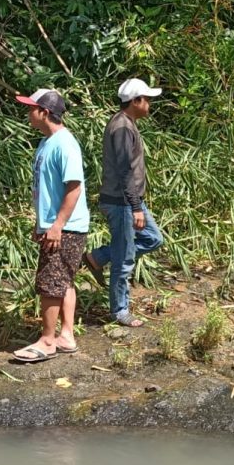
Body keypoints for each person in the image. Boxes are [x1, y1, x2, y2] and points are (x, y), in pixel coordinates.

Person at [12, 89, 88, 362]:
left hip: (66, 226)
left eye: (31, 108)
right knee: (64, 279)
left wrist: (57, 225)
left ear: (44, 112)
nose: (27, 113)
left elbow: (74, 187)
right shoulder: (47, 142)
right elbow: (47, 190)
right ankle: (65, 335)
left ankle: (47, 341)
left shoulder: (65, 143)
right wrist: (42, 223)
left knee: (50, 282)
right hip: (56, 224)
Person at [83, 78, 165, 328]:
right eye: (147, 99)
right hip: (122, 203)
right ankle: (119, 310)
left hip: (129, 201)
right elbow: (124, 171)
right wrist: (135, 207)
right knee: (125, 257)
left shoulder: (127, 124)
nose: (149, 104)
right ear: (135, 101)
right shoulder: (121, 127)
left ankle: (98, 256)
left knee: (153, 238)